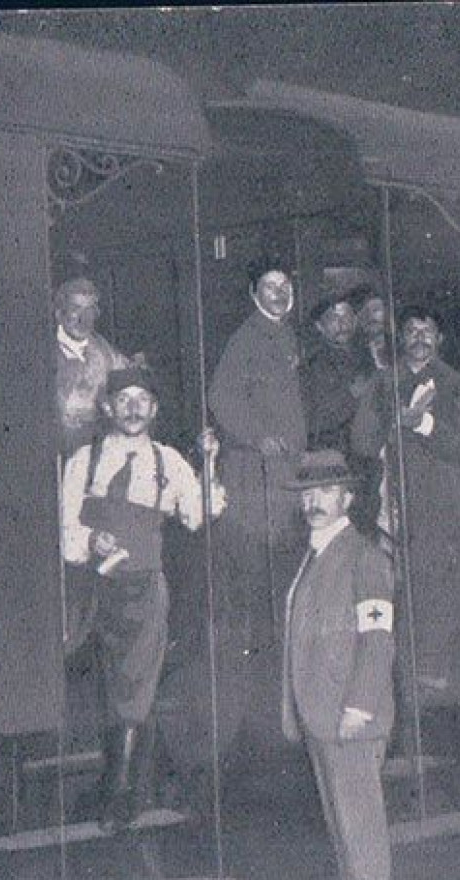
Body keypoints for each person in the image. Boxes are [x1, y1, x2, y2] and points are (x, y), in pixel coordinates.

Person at [60, 366, 225, 833]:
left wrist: (208, 463)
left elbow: (200, 514)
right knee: (105, 686)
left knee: (135, 686)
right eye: (123, 400)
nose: (133, 408)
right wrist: (92, 541)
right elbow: (66, 532)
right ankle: (119, 781)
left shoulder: (167, 462)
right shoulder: (84, 461)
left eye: (142, 401)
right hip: (92, 592)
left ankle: (121, 793)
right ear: (107, 407)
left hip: (144, 589)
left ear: (154, 410)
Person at [280, 450, 397, 880]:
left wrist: (360, 706)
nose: (314, 501)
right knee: (339, 819)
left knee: (360, 819)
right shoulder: (314, 554)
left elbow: (377, 639)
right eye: (307, 493)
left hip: (350, 714)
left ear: (347, 497)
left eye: (325, 492)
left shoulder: (364, 556)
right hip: (318, 712)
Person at [351, 306, 460, 704]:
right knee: (391, 581)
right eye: (411, 331)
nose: (420, 339)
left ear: (439, 339)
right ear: (401, 338)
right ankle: (394, 679)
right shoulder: (383, 383)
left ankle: (435, 678)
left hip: (439, 500)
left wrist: (424, 425)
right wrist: (393, 423)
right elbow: (361, 440)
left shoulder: (452, 384)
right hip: (391, 496)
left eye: (428, 331)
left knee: (437, 581)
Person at [208, 261, 307, 658]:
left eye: (285, 286)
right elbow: (220, 397)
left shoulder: (287, 337)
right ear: (254, 294)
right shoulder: (246, 338)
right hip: (256, 473)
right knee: (256, 560)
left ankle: (276, 647)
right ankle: (255, 652)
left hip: (287, 469)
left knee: (283, 554)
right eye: (270, 287)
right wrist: (256, 436)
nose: (279, 294)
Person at [52, 276, 138, 455]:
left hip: (99, 453)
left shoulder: (103, 351)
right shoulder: (44, 353)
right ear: (59, 313)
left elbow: (131, 382)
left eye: (89, 310)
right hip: (56, 455)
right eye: (76, 309)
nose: (84, 319)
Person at [300, 287, 371, 453]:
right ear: (319, 326)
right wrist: (352, 395)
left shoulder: (366, 358)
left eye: (347, 316)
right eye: (333, 318)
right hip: (332, 452)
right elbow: (315, 419)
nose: (342, 323)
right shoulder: (314, 365)